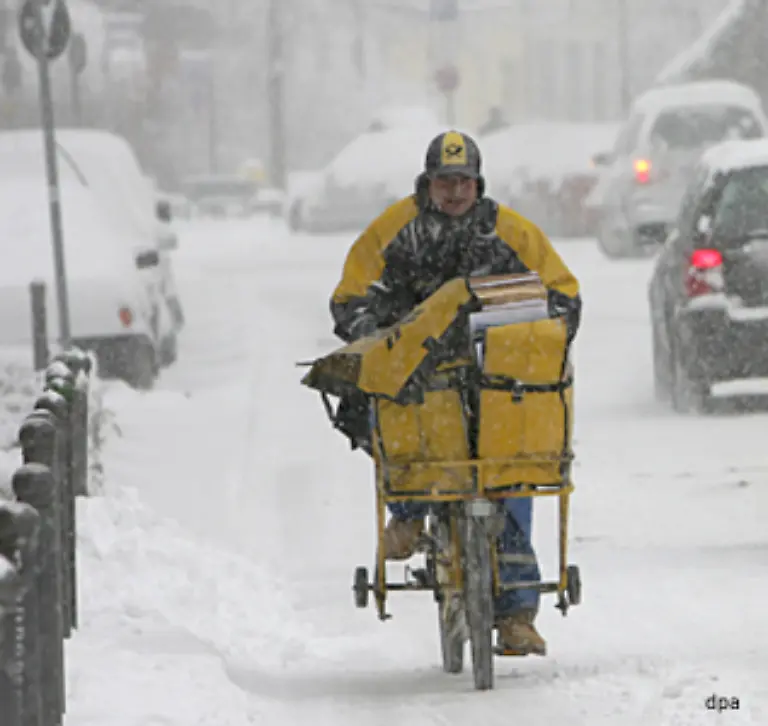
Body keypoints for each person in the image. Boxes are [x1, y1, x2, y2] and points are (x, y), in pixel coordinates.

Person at [329, 130, 582, 656]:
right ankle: (407, 514)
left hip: (495, 379)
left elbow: (563, 293)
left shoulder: (509, 231)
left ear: (478, 184)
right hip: (421, 377)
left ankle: (515, 615)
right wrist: (378, 334)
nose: (454, 192)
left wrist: (537, 331)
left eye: (463, 182)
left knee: (512, 472)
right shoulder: (393, 230)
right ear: (427, 183)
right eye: (445, 182)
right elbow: (350, 297)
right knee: (400, 434)